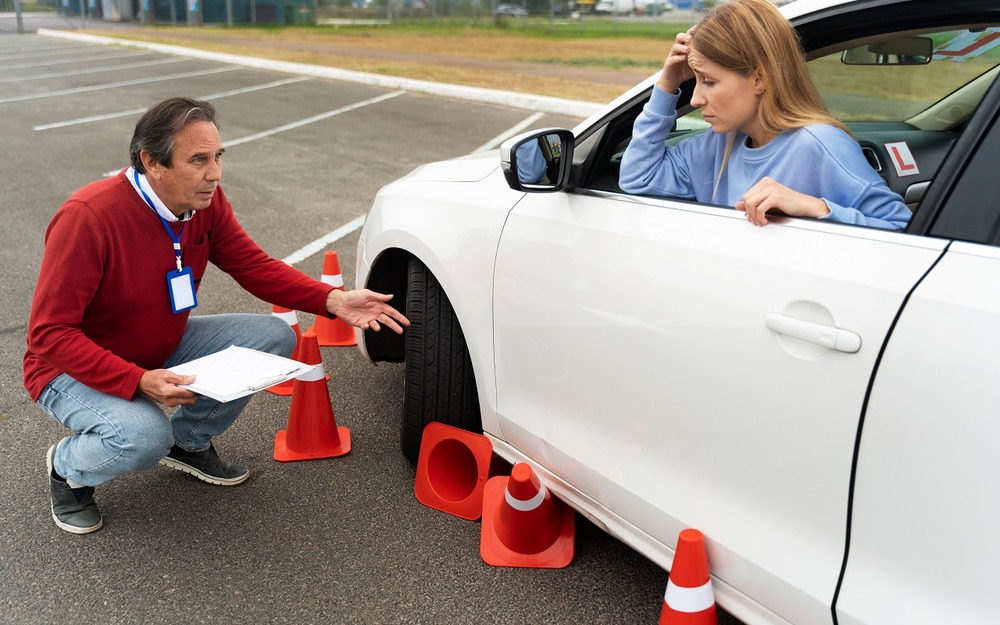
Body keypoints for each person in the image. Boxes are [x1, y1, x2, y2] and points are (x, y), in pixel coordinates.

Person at [24, 96, 410, 535]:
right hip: (67, 370)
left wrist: (333, 300)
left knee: (272, 336)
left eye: (218, 156)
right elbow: (49, 334)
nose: (215, 173)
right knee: (144, 436)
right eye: (199, 160)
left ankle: (187, 443)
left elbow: (254, 266)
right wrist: (136, 381)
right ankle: (67, 469)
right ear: (152, 162)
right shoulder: (89, 218)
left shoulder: (204, 203)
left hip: (157, 345)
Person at [619, 0, 911, 230]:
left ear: (759, 78)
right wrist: (668, 83)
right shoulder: (716, 145)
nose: (694, 98)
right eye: (692, 80)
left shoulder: (819, 144)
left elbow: (900, 229)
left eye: (708, 81)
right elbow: (638, 179)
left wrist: (815, 208)